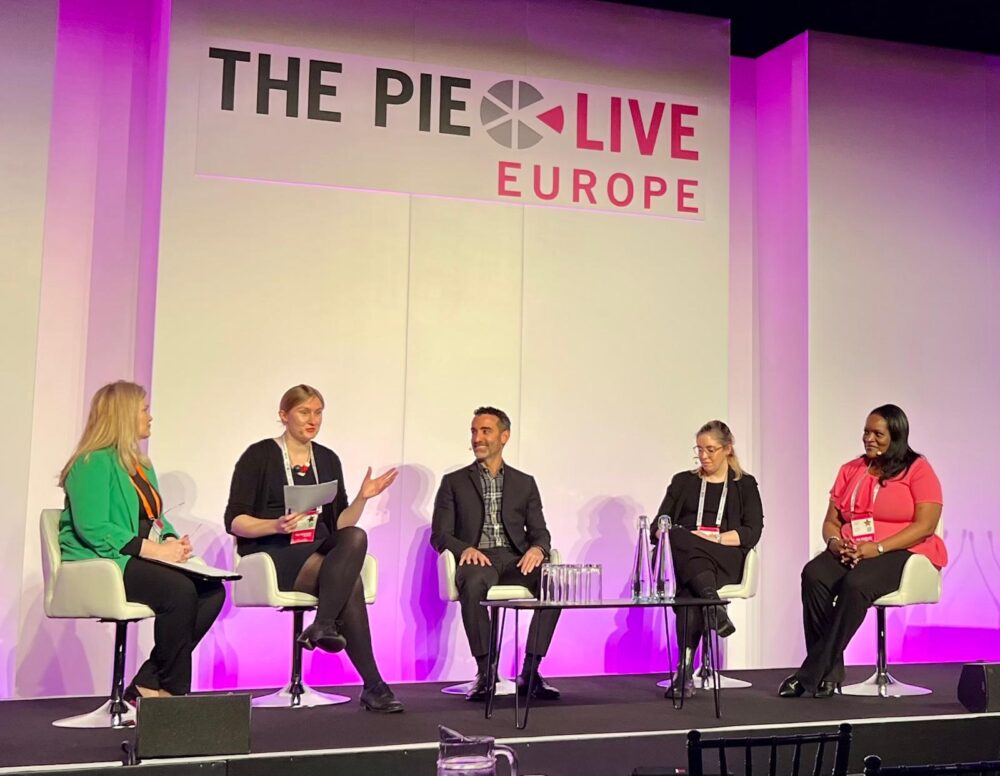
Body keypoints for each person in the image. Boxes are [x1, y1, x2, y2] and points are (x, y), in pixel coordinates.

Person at [224, 384, 402, 713]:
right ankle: (370, 682)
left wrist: (363, 498)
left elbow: (340, 524)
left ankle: (324, 626)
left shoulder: (327, 458)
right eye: (304, 412)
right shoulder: (259, 455)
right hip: (274, 550)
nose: (313, 420)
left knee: (356, 536)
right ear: (284, 415)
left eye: (318, 413)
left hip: (318, 546)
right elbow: (235, 521)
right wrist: (276, 525)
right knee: (350, 583)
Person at [59, 381, 225, 703]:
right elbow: (93, 527)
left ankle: (148, 683)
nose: (150, 416)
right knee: (179, 591)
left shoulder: (141, 465)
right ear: (123, 415)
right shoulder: (91, 463)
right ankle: (171, 693)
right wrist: (156, 550)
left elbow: (154, 517)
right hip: (103, 562)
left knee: (212, 591)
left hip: (136, 556)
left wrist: (172, 541)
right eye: (144, 410)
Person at [779, 404, 945, 699]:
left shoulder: (918, 469)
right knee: (814, 574)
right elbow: (831, 522)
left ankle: (811, 672)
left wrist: (877, 547)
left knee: (855, 584)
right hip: (854, 548)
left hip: (903, 551)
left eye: (877, 434)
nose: (869, 438)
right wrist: (835, 543)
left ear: (896, 436)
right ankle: (829, 673)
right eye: (866, 432)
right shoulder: (851, 470)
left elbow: (926, 525)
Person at [431, 407, 561, 702]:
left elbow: (540, 531)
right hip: (478, 558)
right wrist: (465, 549)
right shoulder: (454, 482)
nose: (477, 438)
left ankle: (530, 672)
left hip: (515, 559)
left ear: (504, 436)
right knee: (473, 581)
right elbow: (439, 535)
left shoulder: (524, 483)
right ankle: (486, 672)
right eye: (474, 431)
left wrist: (538, 549)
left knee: (554, 582)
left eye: (485, 431)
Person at [653, 420, 764, 698]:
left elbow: (752, 532)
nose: (703, 456)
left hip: (725, 557)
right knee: (678, 539)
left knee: (689, 564)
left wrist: (713, 539)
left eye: (710, 450)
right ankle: (712, 605)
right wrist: (679, 535)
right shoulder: (683, 482)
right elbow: (659, 526)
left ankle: (684, 670)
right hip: (688, 560)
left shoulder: (745, 485)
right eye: (699, 450)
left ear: (728, 449)